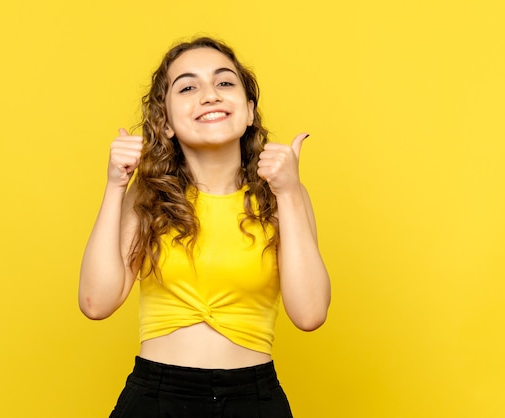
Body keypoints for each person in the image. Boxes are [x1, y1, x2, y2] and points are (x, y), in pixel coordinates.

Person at [79, 36, 330, 418]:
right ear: (164, 123)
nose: (210, 94)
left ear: (248, 112)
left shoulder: (283, 197)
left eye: (224, 82)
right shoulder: (147, 197)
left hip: (254, 399)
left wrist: (290, 192)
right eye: (188, 87)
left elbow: (310, 314)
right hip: (156, 398)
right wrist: (115, 185)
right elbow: (96, 303)